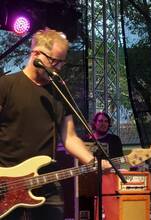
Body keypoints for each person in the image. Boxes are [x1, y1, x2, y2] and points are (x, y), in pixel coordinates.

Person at [0, 28, 108, 220]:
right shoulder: (6, 85)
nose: (57, 67)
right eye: (53, 61)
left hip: (46, 182)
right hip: (6, 184)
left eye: (61, 62)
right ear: (36, 54)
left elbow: (70, 137)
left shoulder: (60, 91)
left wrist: (93, 162)